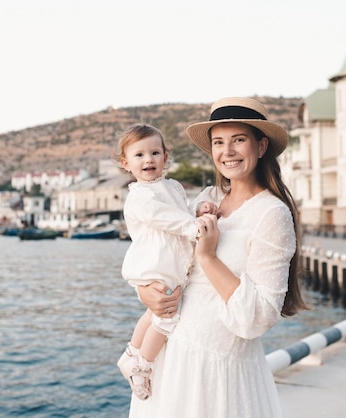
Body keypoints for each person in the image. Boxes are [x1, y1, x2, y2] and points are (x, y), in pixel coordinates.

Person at [130, 97, 310, 418]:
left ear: (261, 146)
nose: (227, 151)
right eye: (218, 142)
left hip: (216, 376)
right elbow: (167, 257)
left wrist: (210, 258)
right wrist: (146, 292)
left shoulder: (271, 213)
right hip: (170, 362)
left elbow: (258, 318)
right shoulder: (207, 199)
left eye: (238, 140)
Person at [112, 123, 218, 401]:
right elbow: (164, 217)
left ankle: (131, 353)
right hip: (155, 263)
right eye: (139, 155)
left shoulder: (172, 185)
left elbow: (179, 212)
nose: (148, 159)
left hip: (173, 262)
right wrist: (194, 225)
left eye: (155, 153)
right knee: (167, 317)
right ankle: (143, 365)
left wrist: (198, 209)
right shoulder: (139, 196)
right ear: (126, 163)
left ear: (165, 158)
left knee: (154, 314)